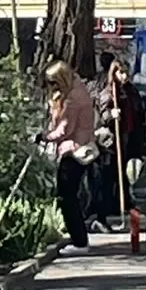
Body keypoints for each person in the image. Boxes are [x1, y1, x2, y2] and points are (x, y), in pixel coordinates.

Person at [43, 60, 97, 249]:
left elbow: (65, 129)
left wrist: (46, 136)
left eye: (54, 82)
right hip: (82, 147)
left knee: (67, 197)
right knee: (72, 196)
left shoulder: (73, 100)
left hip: (72, 151)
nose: (52, 86)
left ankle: (79, 240)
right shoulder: (80, 91)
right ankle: (79, 238)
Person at [107, 57, 146, 211]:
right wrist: (110, 115)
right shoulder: (110, 91)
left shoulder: (130, 90)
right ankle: (116, 201)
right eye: (121, 73)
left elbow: (138, 110)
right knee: (115, 171)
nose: (124, 76)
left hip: (131, 134)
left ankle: (127, 198)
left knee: (134, 166)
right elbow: (102, 112)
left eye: (126, 73)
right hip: (116, 136)